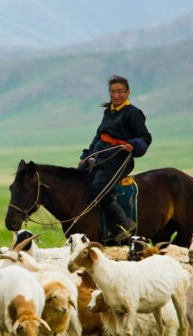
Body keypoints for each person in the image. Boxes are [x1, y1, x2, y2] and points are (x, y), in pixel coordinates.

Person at [78, 75, 152, 243]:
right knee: (79, 177)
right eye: (112, 92)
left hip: (118, 159)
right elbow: (99, 136)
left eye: (120, 92)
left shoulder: (133, 113)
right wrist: (85, 156)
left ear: (128, 92)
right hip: (100, 155)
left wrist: (133, 145)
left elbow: (145, 138)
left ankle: (125, 223)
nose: (116, 95)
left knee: (98, 188)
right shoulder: (109, 111)